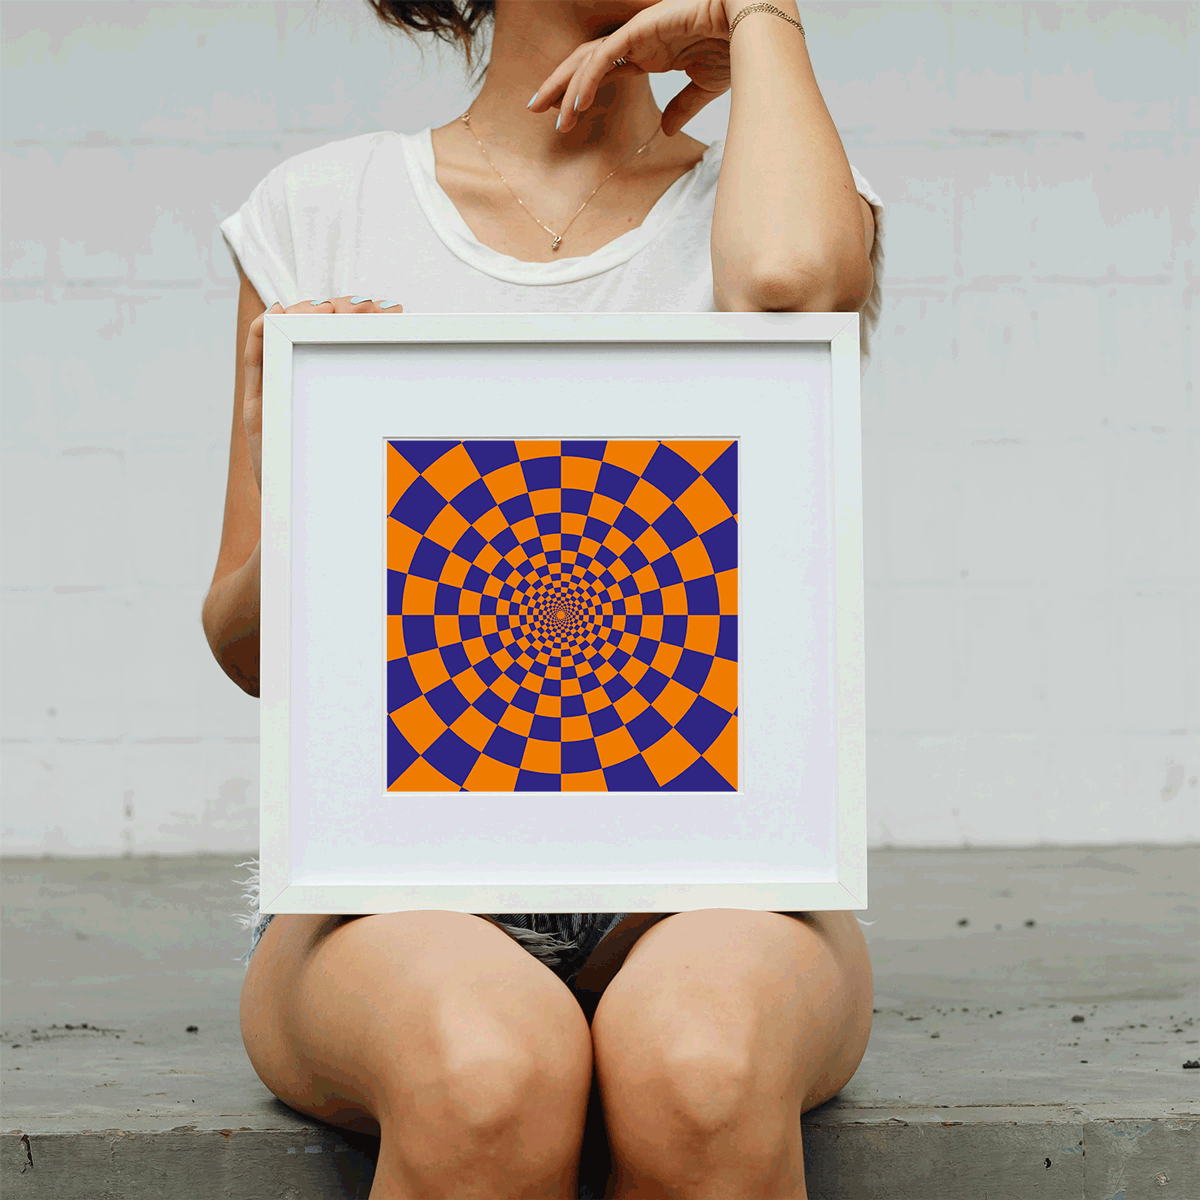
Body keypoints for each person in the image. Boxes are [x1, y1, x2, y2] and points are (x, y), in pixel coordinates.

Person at [203, 2, 883, 1196]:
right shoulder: (320, 208)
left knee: (703, 1068)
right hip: (389, 890)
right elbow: (247, 646)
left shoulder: (783, 194)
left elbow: (789, 287)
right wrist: (304, 480)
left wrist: (760, 16)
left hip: (719, 872)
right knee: (485, 1071)